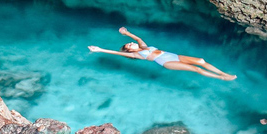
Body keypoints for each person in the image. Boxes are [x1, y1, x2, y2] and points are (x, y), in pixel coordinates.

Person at [88, 27, 237, 81]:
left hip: (172, 55)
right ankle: (222, 77)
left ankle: (224, 72)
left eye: (130, 43)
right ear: (130, 51)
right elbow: (115, 53)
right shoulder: (137, 55)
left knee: (201, 60)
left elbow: (138, 38)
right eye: (129, 46)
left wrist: (127, 34)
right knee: (197, 69)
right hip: (166, 62)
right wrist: (100, 49)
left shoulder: (142, 46)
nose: (132, 44)